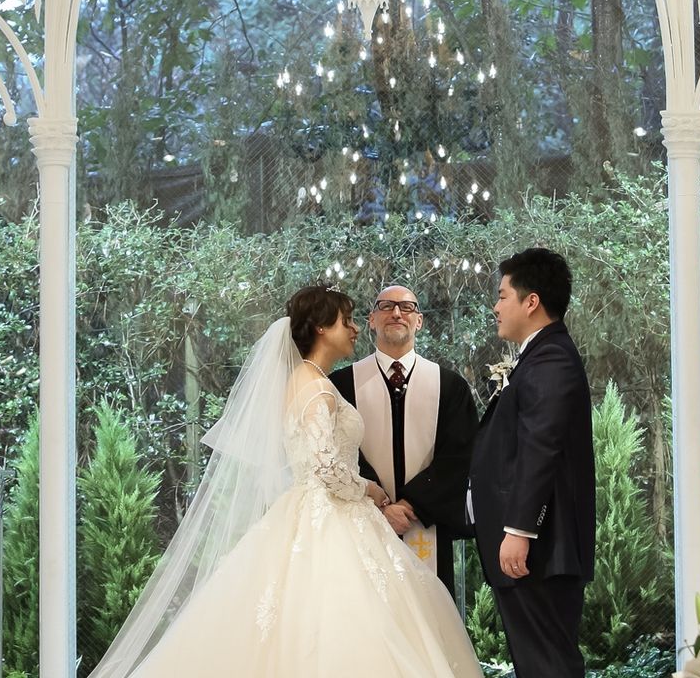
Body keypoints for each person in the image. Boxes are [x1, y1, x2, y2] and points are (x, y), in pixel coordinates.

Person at [91, 284, 482, 678]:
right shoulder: (315, 384)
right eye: (346, 321)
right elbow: (326, 467)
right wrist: (370, 489)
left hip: (321, 511)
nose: (354, 330)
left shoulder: (313, 379)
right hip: (330, 516)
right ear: (321, 328)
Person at [469, 247, 595, 678]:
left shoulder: (551, 357)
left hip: (541, 550)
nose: (496, 306)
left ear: (531, 301)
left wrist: (519, 530)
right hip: (539, 550)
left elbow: (542, 445)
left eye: (502, 295)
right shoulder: (540, 355)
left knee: (548, 667)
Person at [330, 283, 478, 598]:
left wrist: (411, 505)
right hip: (363, 522)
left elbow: (458, 458)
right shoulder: (340, 386)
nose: (396, 313)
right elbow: (339, 454)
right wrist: (380, 506)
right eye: (386, 306)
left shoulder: (450, 387)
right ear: (371, 320)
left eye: (407, 307)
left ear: (419, 321)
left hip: (426, 525)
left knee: (429, 616)